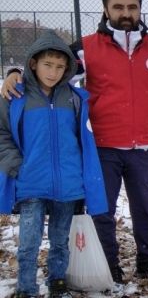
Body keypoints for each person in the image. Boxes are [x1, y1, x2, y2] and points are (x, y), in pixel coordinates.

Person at [2, 0, 148, 284]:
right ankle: (108, 263)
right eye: (118, 7)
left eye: (132, 7)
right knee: (102, 209)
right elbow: (52, 73)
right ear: (106, 9)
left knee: (146, 208)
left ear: (139, 9)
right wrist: (15, 74)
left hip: (146, 145)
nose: (125, 13)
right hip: (102, 146)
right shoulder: (86, 47)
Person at [0, 31, 108, 298]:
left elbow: (83, 139)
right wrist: (16, 165)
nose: (54, 72)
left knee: (60, 240)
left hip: (68, 184)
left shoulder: (75, 98)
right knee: (28, 242)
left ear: (68, 69)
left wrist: (83, 177)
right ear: (33, 64)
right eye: (48, 65)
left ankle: (57, 282)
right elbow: (2, 134)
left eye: (60, 67)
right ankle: (26, 287)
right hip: (30, 181)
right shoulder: (16, 97)